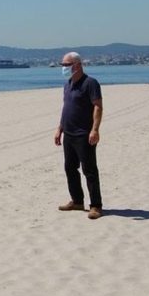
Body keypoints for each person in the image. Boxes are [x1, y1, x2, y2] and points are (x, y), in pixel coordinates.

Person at [53, 52, 104, 220]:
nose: (63, 68)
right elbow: (66, 108)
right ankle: (77, 201)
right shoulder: (68, 84)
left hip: (84, 134)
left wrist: (95, 129)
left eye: (66, 65)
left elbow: (98, 107)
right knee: (70, 168)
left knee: (89, 170)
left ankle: (96, 205)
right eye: (63, 65)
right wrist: (59, 128)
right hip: (69, 133)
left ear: (77, 65)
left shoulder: (90, 83)